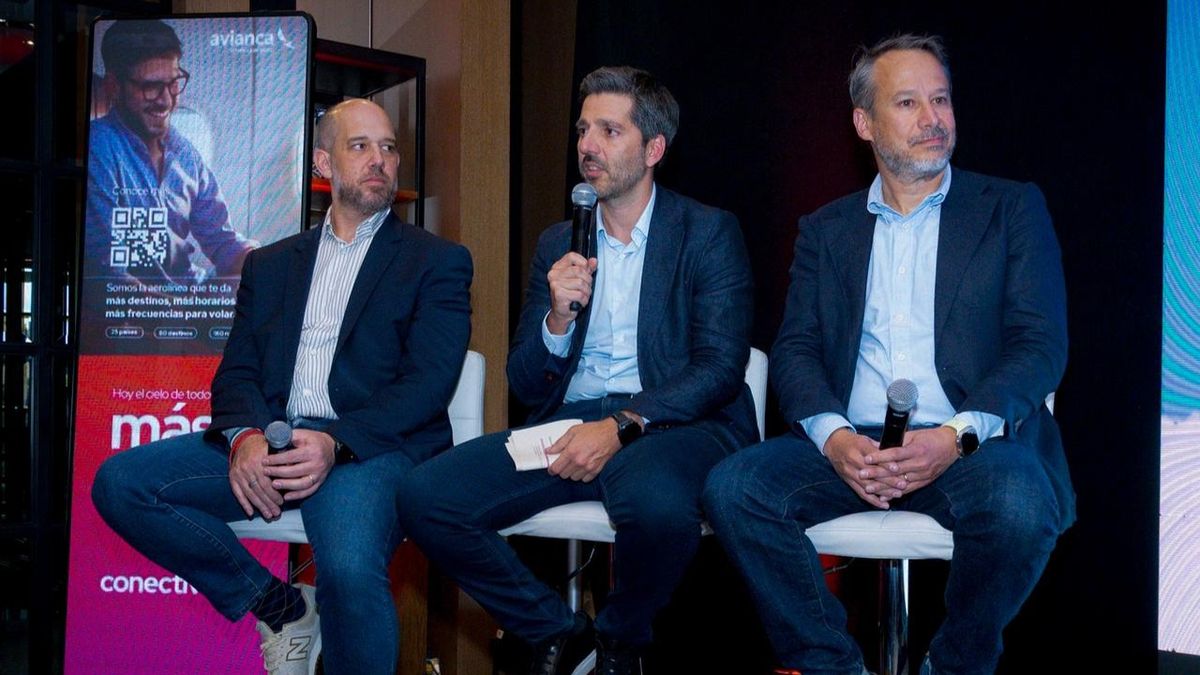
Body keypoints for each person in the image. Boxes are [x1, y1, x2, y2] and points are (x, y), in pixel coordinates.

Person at [703, 34, 1073, 675]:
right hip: (854, 447)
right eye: (908, 102)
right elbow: (797, 350)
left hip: (964, 446)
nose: (934, 119)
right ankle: (830, 664)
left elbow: (1040, 345)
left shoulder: (1009, 208)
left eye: (941, 99)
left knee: (1021, 503)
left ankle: (956, 664)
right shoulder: (827, 227)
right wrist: (835, 438)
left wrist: (953, 437)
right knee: (733, 488)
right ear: (864, 123)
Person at [91, 98, 473, 675]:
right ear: (323, 162)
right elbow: (238, 371)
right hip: (275, 441)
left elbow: (427, 383)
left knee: (346, 569)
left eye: (389, 147)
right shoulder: (270, 264)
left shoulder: (435, 261)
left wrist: (334, 443)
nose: (380, 160)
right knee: (121, 485)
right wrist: (245, 437)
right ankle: (279, 604)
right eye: (360, 146)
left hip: (370, 449)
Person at [397, 66, 757, 675]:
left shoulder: (707, 232)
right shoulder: (559, 242)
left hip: (675, 423)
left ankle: (621, 642)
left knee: (658, 508)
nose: (587, 145)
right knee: (426, 496)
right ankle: (564, 637)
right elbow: (525, 381)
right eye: (583, 129)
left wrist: (619, 425)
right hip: (570, 420)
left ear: (653, 149)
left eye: (609, 131)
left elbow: (720, 368)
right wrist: (558, 320)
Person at [86, 19, 253, 285]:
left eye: (174, 83)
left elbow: (222, 242)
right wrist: (184, 313)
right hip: (144, 311)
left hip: (193, 295)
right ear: (114, 86)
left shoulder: (186, 153)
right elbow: (105, 275)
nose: (166, 100)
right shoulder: (98, 147)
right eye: (150, 87)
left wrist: (263, 261)